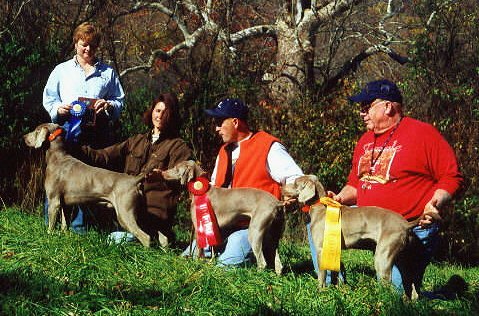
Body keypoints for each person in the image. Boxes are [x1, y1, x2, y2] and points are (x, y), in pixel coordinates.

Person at [326, 79, 462, 296]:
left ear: (387, 106)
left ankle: (447, 293)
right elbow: (355, 184)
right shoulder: (364, 141)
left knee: (397, 296)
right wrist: (338, 198)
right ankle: (335, 290)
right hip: (370, 227)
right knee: (318, 223)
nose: (362, 113)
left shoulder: (423, 134)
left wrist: (434, 203)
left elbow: (451, 176)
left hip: (409, 228)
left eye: (366, 106)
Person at [184, 98, 303, 266]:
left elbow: (295, 178)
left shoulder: (268, 146)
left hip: (253, 227)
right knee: (188, 260)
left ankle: (262, 261)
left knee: (224, 267)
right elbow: (211, 189)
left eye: (219, 122)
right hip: (223, 226)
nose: (216, 128)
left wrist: (290, 198)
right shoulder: (223, 152)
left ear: (235, 122)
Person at [76, 93, 192, 245]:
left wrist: (163, 175)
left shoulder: (179, 146)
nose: (160, 116)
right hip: (127, 213)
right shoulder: (136, 141)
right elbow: (104, 156)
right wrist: (76, 149)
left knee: (115, 241)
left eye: (166, 112)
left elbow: (181, 175)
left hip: (153, 216)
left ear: (172, 116)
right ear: (151, 112)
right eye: (157, 111)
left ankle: (158, 239)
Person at [42, 22, 125, 232]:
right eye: (83, 44)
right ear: (76, 43)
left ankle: (82, 229)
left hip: (97, 138)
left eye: (92, 45)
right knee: (58, 181)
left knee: (88, 182)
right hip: (67, 137)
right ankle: (50, 226)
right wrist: (58, 109)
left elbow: (119, 101)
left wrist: (108, 105)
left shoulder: (108, 73)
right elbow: (49, 99)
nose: (88, 49)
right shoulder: (61, 71)